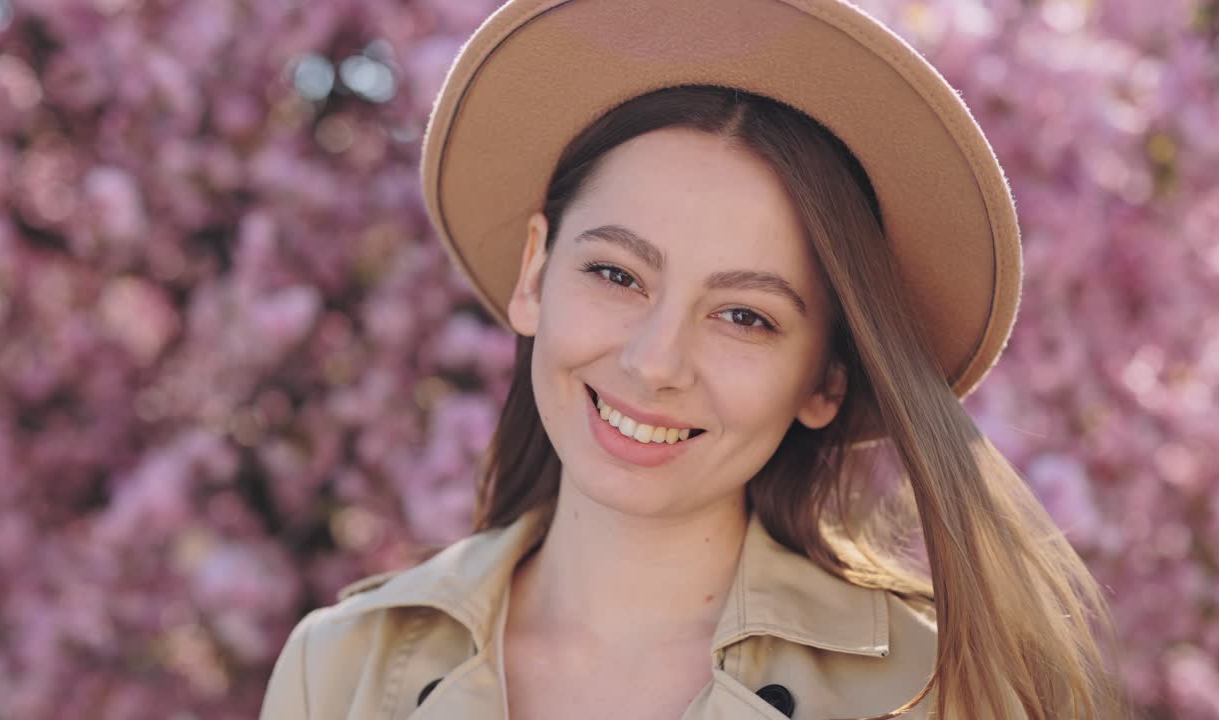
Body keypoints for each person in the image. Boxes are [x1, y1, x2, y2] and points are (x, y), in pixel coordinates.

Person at [260, 1, 1130, 718]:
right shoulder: (340, 675)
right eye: (616, 273)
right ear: (536, 272)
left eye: (745, 316)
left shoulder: (934, 692)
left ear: (826, 378)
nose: (656, 360)